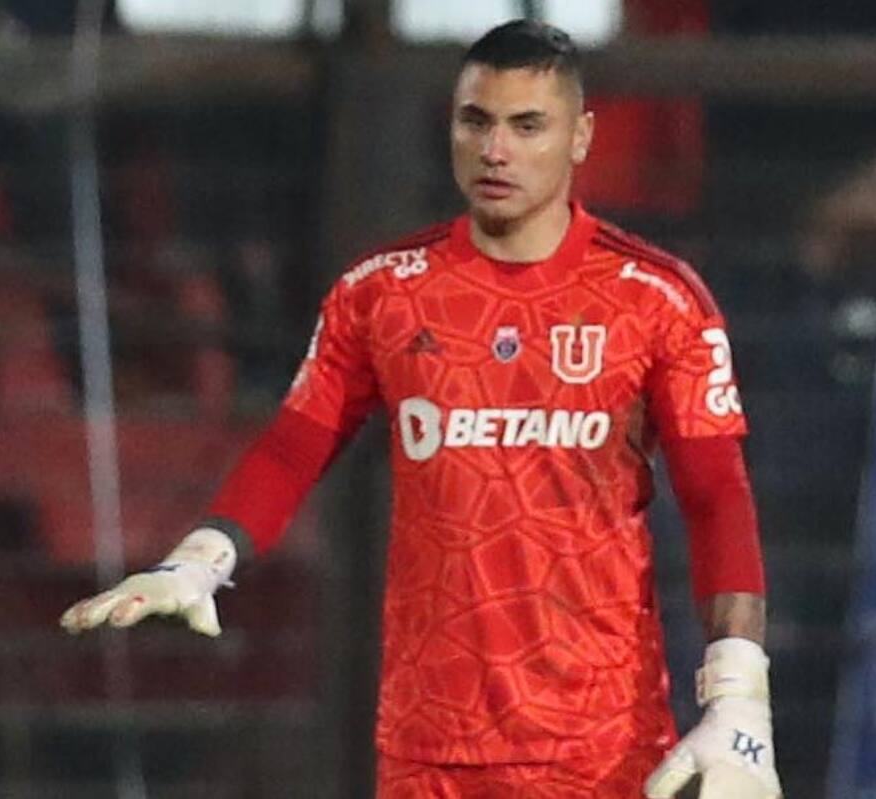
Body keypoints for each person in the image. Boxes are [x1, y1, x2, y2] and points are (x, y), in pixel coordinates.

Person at [60, 20, 781, 799]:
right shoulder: (382, 292)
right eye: (476, 121)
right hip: (427, 750)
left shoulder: (657, 299)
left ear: (581, 137)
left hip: (601, 749)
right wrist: (203, 557)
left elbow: (716, 494)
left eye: (526, 125)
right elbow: (293, 447)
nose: (495, 149)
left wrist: (738, 691)